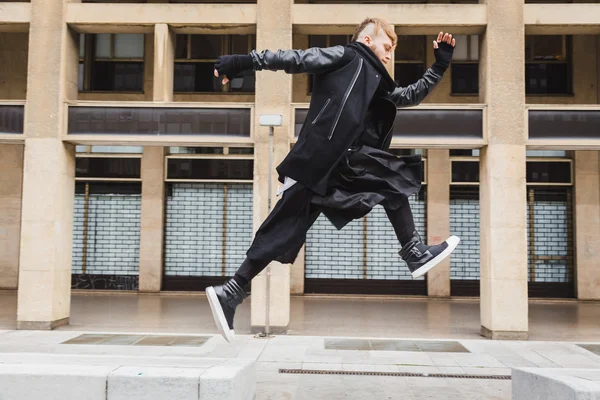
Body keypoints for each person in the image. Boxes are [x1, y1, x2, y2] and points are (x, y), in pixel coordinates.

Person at [207, 17, 460, 342]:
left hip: (342, 166)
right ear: (368, 41)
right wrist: (244, 62)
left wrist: (439, 66)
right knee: (283, 229)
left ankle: (413, 250)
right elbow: (296, 60)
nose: (388, 56)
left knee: (389, 176)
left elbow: (409, 95)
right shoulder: (347, 56)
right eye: (386, 47)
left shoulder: (378, 82)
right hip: (316, 161)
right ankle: (231, 292)